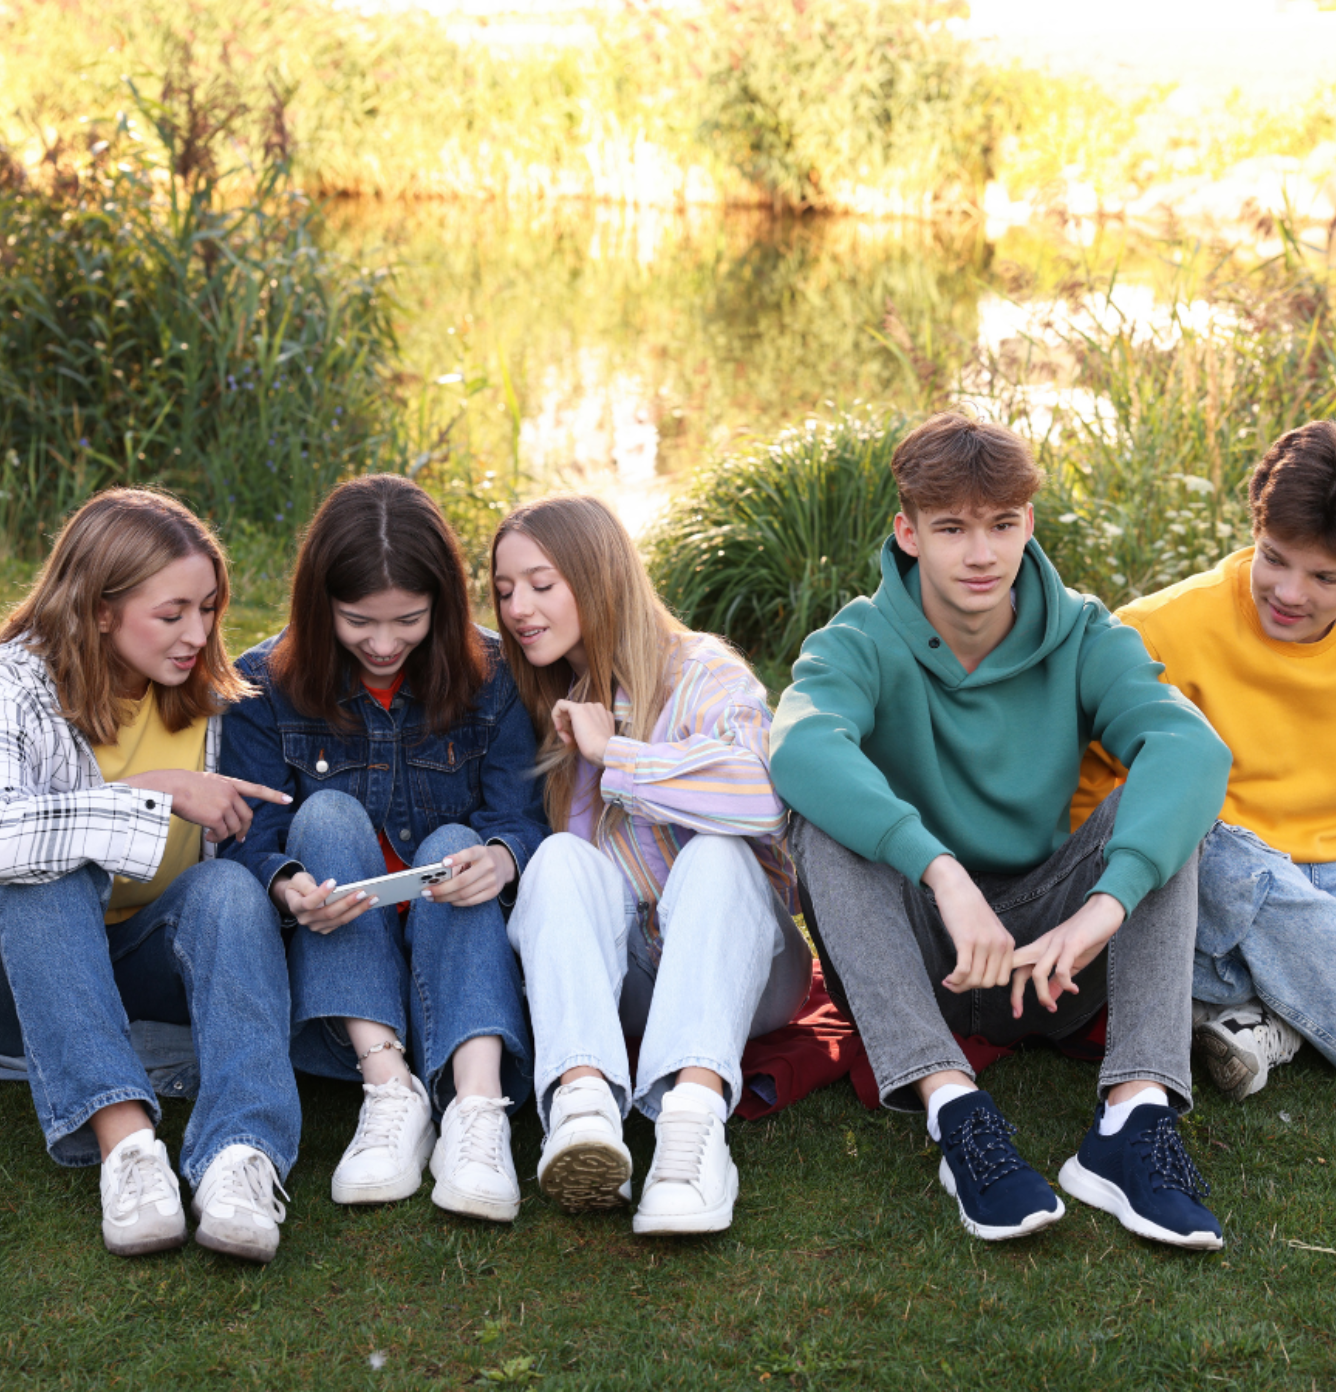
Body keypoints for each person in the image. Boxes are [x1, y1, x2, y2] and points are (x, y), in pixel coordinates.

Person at [770, 413, 1233, 1250]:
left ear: (1028, 525)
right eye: (951, 529)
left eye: (1001, 525)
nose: (980, 554)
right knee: (826, 821)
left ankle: (1134, 1117)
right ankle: (955, 1109)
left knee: (1166, 810)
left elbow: (1189, 747)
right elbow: (800, 746)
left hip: (1053, 959)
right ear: (908, 533)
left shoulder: (1084, 631)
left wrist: (1103, 909)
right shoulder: (858, 640)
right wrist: (940, 872)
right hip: (923, 956)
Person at [1075, 420, 1336, 1099]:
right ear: (1255, 531)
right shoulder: (1156, 629)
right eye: (1274, 558)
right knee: (1201, 837)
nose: (1289, 592)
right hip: (1216, 901)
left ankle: (1279, 1014)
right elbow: (1093, 813)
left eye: (1325, 576)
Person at [220, 475, 546, 1222]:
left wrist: (499, 861)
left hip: (458, 962)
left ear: (444, 606)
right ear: (318, 603)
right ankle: (388, 1089)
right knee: (327, 813)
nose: (384, 643)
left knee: (461, 840)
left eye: (409, 621)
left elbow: (521, 816)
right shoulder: (264, 685)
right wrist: (287, 884)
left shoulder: (490, 676)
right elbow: (250, 838)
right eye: (358, 621)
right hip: (343, 982)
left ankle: (476, 1109)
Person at [491, 495, 812, 1236]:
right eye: (506, 590)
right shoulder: (539, 699)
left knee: (719, 853)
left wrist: (617, 758)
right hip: (628, 977)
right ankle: (583, 1106)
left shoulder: (701, 672)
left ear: (597, 575)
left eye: (542, 584)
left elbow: (766, 798)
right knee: (562, 858)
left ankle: (691, 1128)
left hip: (743, 966)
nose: (519, 608)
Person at [0, 488, 299, 1261]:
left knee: (230, 890)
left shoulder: (213, 697)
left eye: (208, 608)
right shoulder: (18, 686)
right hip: (27, 971)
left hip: (144, 959)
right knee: (46, 872)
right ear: (100, 610)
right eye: (172, 615)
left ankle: (241, 1158)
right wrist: (154, 792)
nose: (197, 634)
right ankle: (127, 1148)